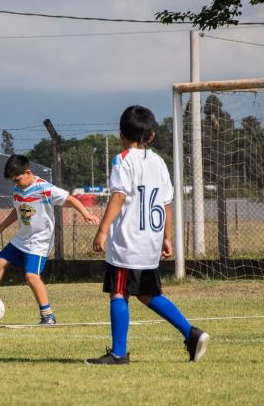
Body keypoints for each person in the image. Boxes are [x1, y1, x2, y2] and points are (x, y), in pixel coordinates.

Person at [87, 105, 209, 365]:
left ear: (121, 133)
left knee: (119, 292)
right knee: (147, 294)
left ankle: (119, 354)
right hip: (150, 241)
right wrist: (167, 237)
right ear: (151, 136)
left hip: (128, 242)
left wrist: (102, 230)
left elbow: (119, 195)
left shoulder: (122, 160)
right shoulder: (159, 162)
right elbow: (166, 202)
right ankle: (191, 333)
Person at [0, 155, 99, 324]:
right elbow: (17, 212)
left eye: (17, 180)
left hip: (39, 241)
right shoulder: (18, 190)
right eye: (13, 182)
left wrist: (86, 214)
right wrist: (1, 228)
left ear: (28, 172)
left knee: (31, 276)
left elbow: (71, 199)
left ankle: (48, 316)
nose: (15, 184)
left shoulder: (44, 188)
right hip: (21, 239)